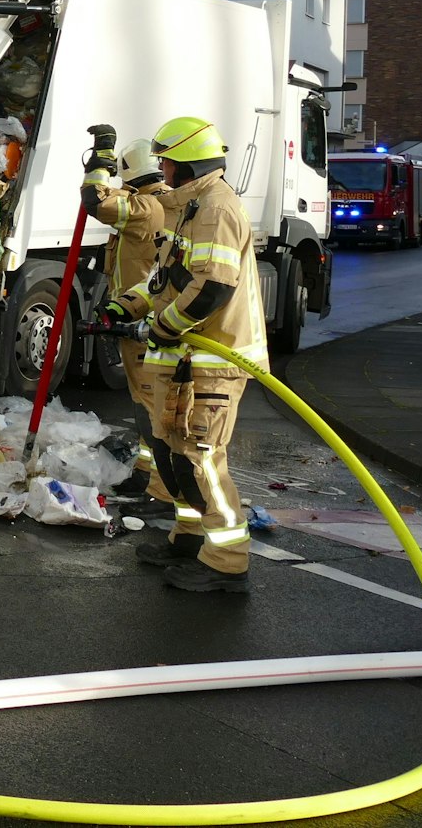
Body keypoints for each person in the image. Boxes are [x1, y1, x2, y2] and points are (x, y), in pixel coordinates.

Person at [109, 116, 267, 595]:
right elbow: (167, 280)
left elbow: (214, 287)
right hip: (182, 361)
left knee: (202, 460)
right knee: (174, 456)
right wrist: (128, 303)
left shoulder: (217, 209)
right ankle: (188, 537)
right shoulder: (187, 208)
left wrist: (160, 325)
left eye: (167, 161)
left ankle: (226, 562)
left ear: (189, 163)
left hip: (213, 361)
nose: (160, 168)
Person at [82, 128, 175, 506]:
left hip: (140, 314)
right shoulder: (163, 202)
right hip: (145, 311)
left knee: (147, 403)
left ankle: (157, 486)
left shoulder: (145, 208)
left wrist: (100, 161)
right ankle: (146, 474)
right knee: (150, 403)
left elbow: (96, 202)